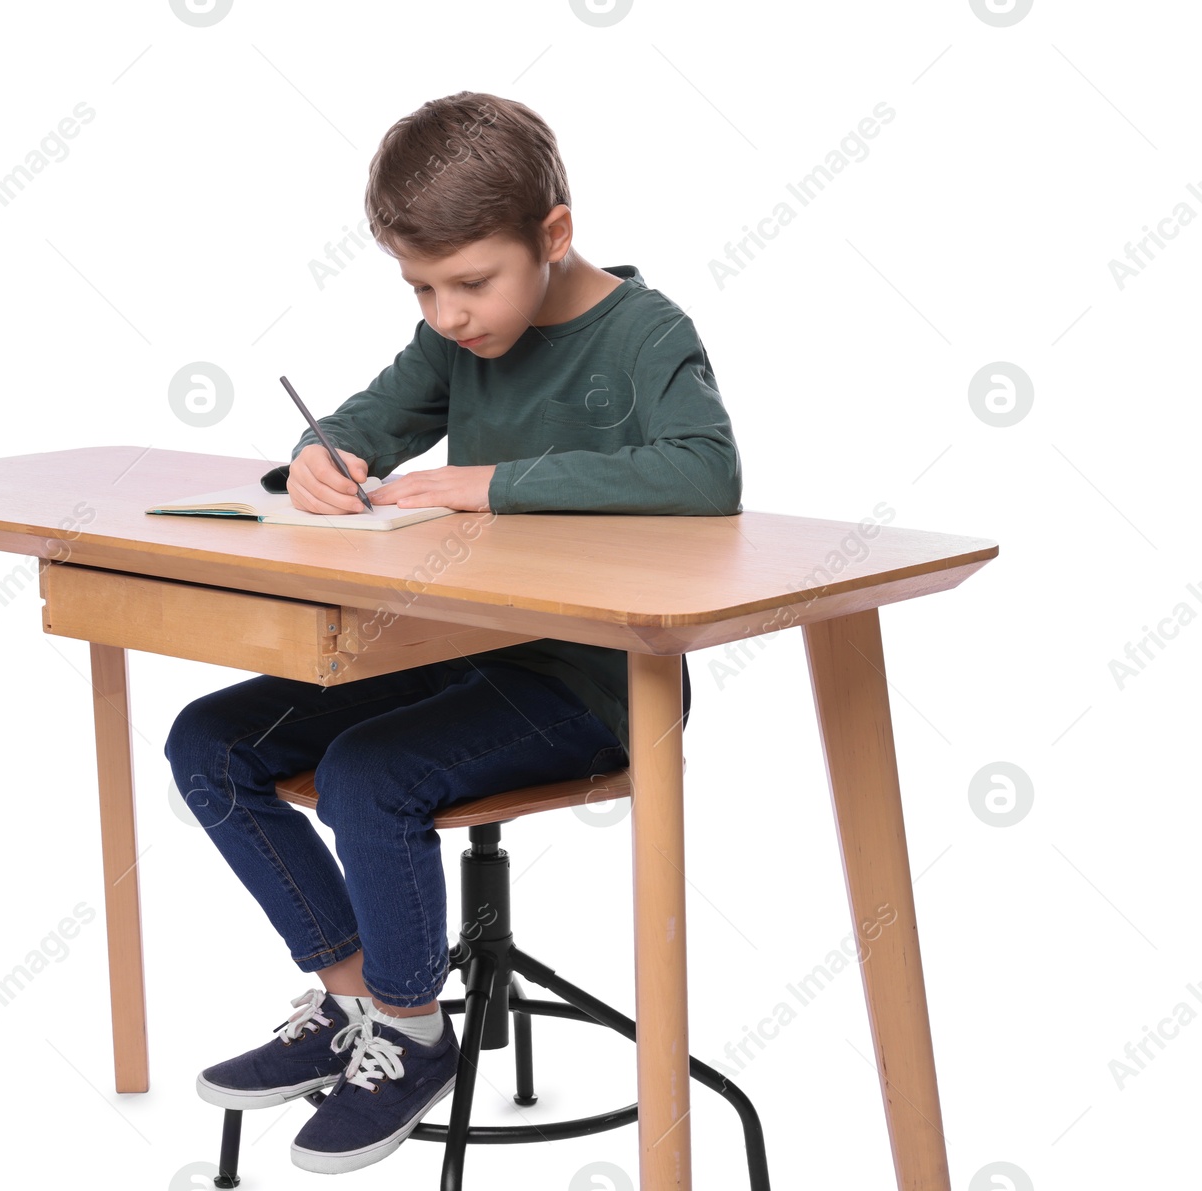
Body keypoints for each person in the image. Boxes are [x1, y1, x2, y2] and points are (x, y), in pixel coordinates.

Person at [164, 89, 742, 1176]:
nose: (447, 315)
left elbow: (704, 472)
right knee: (212, 744)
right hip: (455, 653)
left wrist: (488, 483)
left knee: (365, 773)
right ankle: (357, 1007)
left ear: (553, 235)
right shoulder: (453, 337)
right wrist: (321, 461)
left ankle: (415, 1030)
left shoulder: (644, 332)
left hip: (596, 686)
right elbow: (366, 421)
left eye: (470, 283)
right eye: (420, 288)